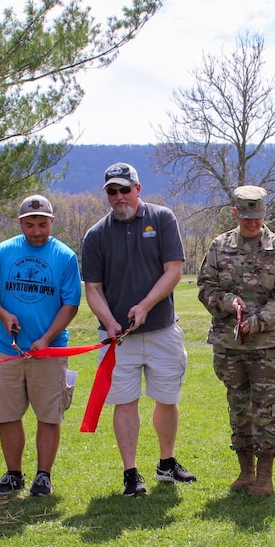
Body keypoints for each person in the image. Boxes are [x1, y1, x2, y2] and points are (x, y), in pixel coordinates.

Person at [81, 162, 196, 497]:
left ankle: (166, 463)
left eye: (124, 190)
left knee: (167, 398)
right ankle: (131, 473)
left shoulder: (162, 219)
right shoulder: (96, 235)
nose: (119, 197)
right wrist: (109, 321)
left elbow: (173, 270)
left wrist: (145, 305)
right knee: (125, 402)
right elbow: (93, 289)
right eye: (112, 192)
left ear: (138, 189)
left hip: (161, 329)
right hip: (118, 338)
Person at [0, 195, 81, 498]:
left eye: (42, 224)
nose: (37, 231)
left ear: (52, 222)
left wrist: (46, 339)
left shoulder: (65, 256)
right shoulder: (5, 251)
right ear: (21, 223)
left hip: (49, 351)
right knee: (8, 414)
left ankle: (43, 477)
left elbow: (70, 304)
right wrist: (3, 314)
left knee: (49, 415)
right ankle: (14, 474)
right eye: (30, 224)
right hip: (7, 350)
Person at [197, 185, 275, 496]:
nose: (252, 223)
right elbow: (205, 287)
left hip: (268, 346)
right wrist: (228, 302)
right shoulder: (219, 246)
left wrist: (257, 322)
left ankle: (265, 475)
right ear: (236, 213)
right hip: (230, 345)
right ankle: (245, 471)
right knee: (238, 407)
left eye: (257, 217)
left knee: (265, 409)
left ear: (264, 214)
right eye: (246, 217)